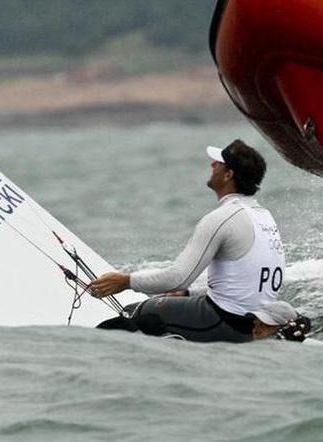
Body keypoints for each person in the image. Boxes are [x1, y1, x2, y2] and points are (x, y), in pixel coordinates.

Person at [90, 139, 286, 343]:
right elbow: (247, 285)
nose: (212, 165)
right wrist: (188, 293)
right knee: (163, 309)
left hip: (227, 323)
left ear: (228, 175)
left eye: (218, 163)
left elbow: (178, 277)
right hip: (255, 321)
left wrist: (125, 282)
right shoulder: (264, 215)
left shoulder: (222, 218)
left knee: (133, 312)